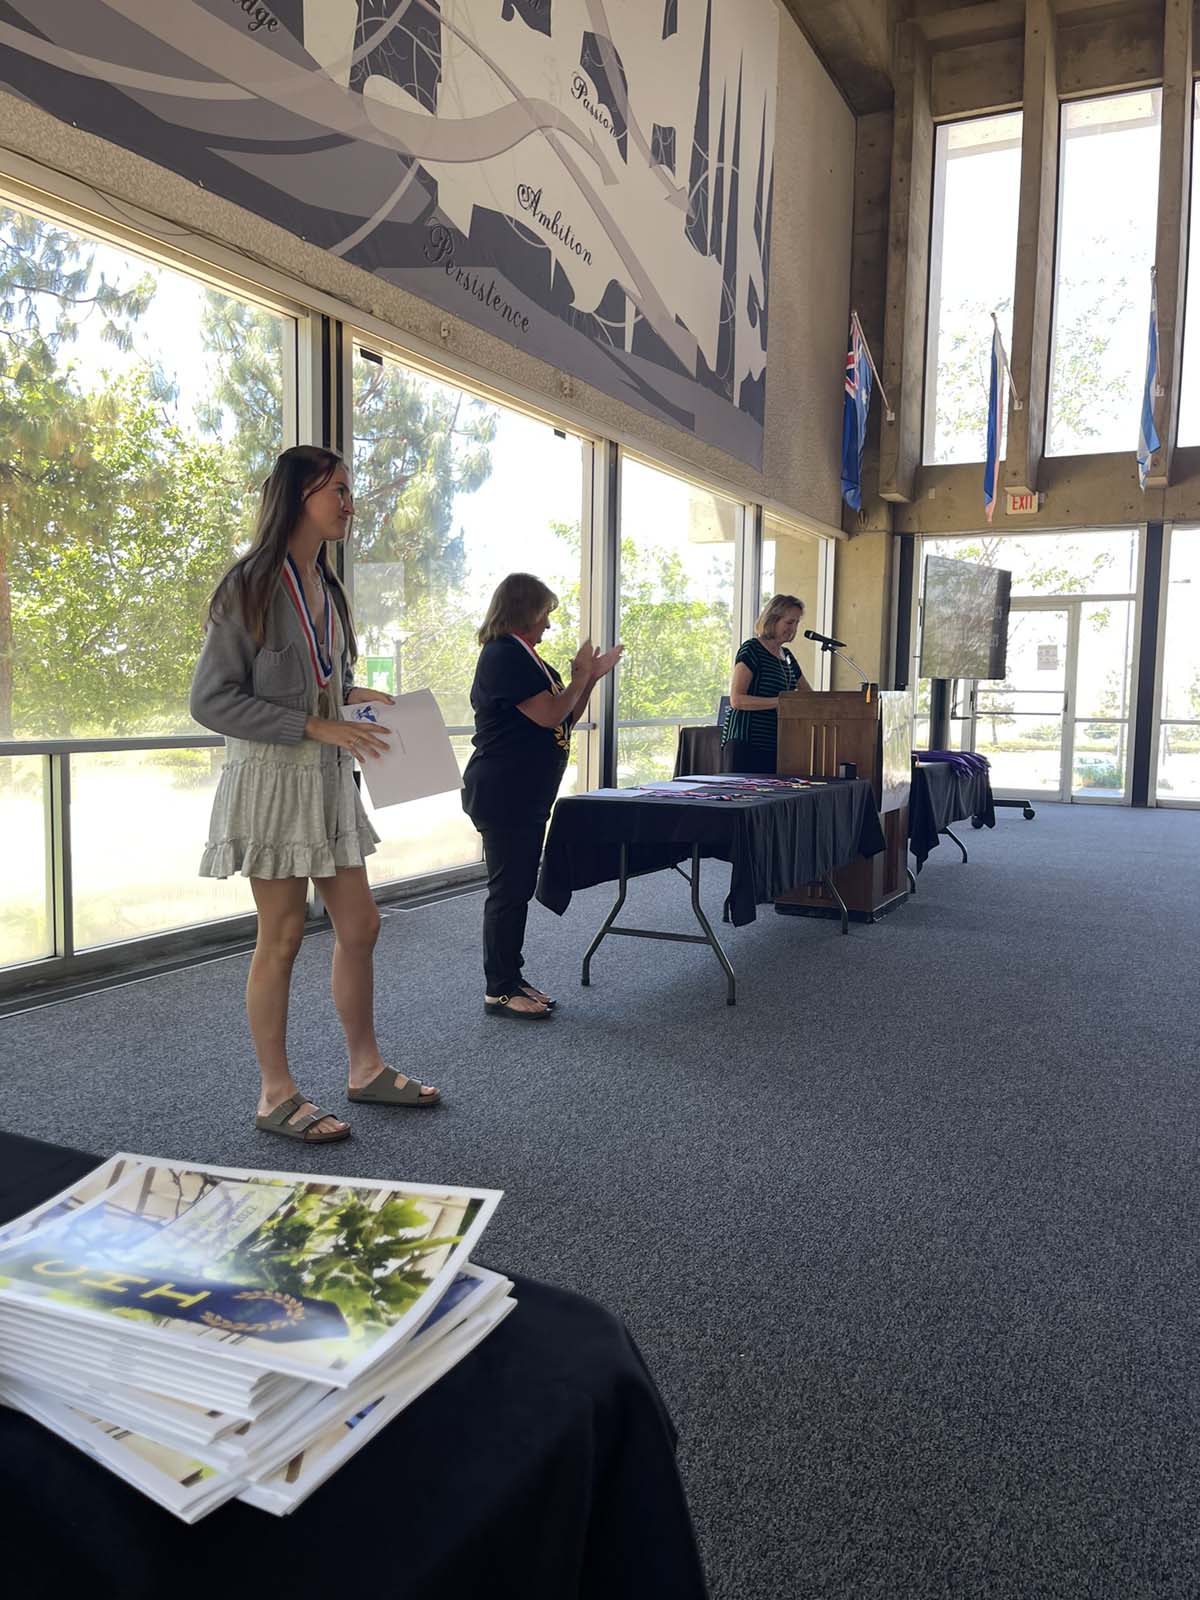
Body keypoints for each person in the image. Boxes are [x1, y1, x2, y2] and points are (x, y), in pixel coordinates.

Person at [190, 445, 440, 1144]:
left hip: (326, 779)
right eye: (338, 490)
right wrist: (313, 722)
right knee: (284, 935)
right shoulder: (250, 584)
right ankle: (276, 1094)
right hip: (272, 782)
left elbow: (321, 677)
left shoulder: (325, 586)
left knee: (360, 926)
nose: (349, 503)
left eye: (349, 490)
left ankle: (364, 1070)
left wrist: (353, 696)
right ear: (299, 495)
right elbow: (210, 701)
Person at [462, 573, 622, 1020]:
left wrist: (587, 679)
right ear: (524, 610)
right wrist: (581, 676)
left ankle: (512, 976)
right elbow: (552, 710)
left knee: (517, 888)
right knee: (509, 890)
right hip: (503, 792)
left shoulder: (531, 659)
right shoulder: (502, 655)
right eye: (545, 614)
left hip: (526, 793)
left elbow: (565, 718)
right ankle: (499, 988)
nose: (549, 625)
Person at [720, 593, 809, 774]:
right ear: (773, 619)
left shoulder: (788, 657)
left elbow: (808, 696)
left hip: (776, 743)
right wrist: (780, 702)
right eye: (789, 622)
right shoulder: (752, 649)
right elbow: (737, 700)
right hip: (747, 742)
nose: (793, 628)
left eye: (797, 623)